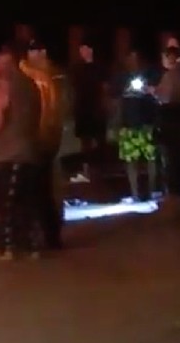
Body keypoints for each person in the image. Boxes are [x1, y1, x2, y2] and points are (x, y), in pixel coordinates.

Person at [0, 43, 42, 260]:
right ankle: (31, 245)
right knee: (27, 201)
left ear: (6, 63)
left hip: (7, 153)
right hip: (30, 152)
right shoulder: (32, 86)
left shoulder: (4, 86)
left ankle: (7, 247)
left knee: (5, 204)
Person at [21, 40, 65, 251]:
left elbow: (54, 111)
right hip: (38, 140)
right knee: (41, 189)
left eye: (35, 51)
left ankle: (48, 235)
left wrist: (45, 136)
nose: (32, 55)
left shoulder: (48, 77)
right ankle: (46, 234)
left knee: (43, 189)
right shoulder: (33, 75)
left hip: (42, 141)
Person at [113, 50, 159, 201]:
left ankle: (152, 191)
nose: (133, 61)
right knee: (130, 161)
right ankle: (134, 193)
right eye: (130, 58)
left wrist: (148, 89)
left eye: (136, 58)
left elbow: (155, 99)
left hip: (146, 125)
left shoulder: (149, 76)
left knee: (150, 158)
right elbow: (116, 100)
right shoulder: (121, 78)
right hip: (128, 126)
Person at [153, 44, 180, 201]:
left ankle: (173, 194)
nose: (163, 60)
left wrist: (154, 93)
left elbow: (167, 97)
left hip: (172, 120)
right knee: (177, 158)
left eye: (165, 57)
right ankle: (176, 192)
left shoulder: (172, 75)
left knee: (172, 159)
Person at [69, 39, 108, 183]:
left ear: (91, 50)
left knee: (99, 141)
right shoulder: (77, 68)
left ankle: (100, 172)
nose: (83, 52)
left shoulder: (99, 67)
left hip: (97, 109)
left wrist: (104, 106)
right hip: (83, 109)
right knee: (85, 143)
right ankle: (87, 172)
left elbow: (105, 87)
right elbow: (73, 89)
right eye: (81, 50)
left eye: (85, 49)